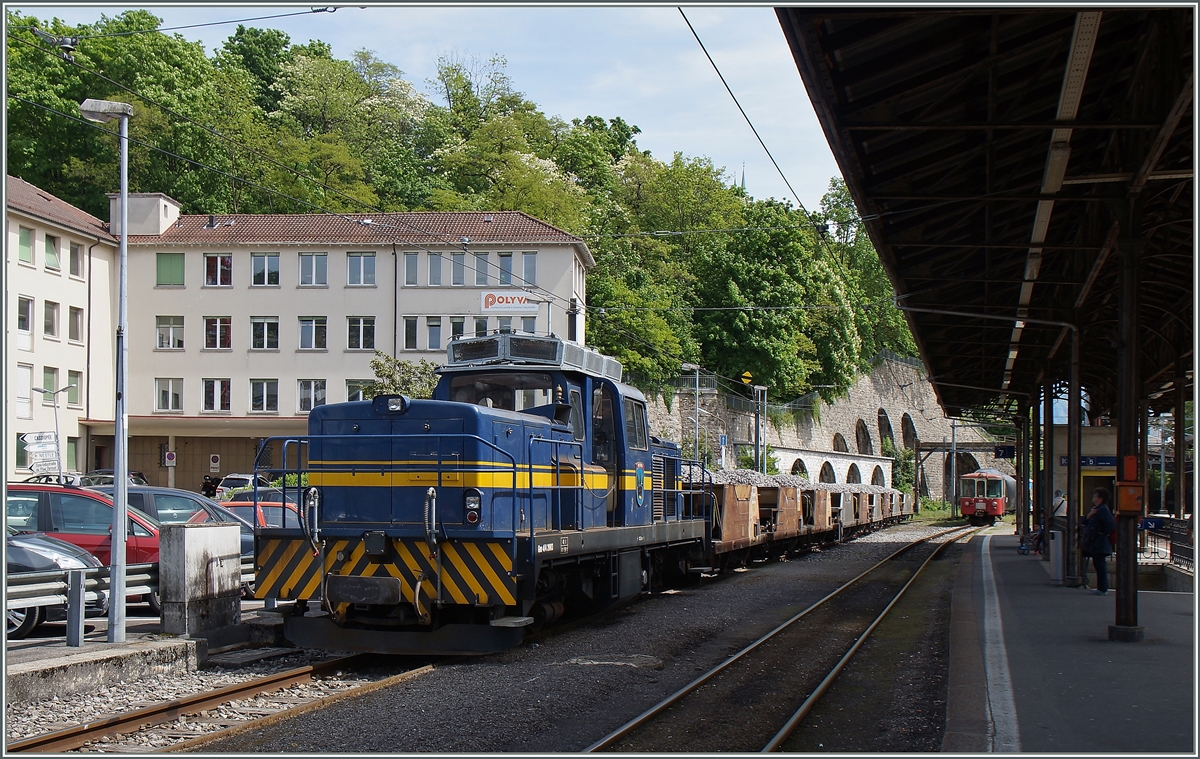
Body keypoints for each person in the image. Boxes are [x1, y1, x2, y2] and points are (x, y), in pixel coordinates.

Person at [1080, 487, 1117, 595]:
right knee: (1098, 564)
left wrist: (1102, 534)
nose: (1093, 497)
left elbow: (1111, 524)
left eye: (1095, 496)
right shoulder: (1097, 509)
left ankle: (1102, 588)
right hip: (1096, 541)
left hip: (1099, 542)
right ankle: (1101, 588)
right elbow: (1085, 521)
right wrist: (1090, 515)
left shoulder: (1102, 510)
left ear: (1100, 498)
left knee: (1100, 565)